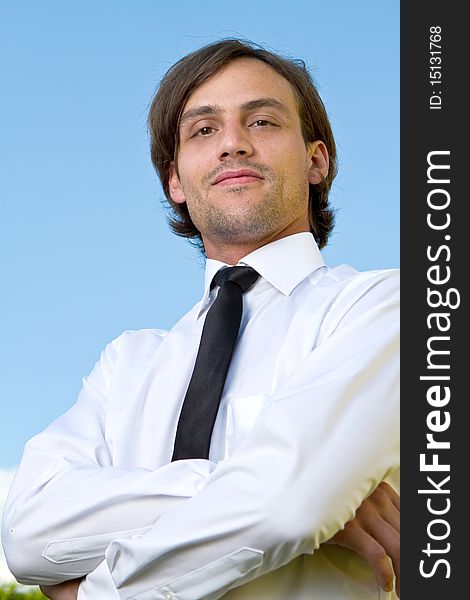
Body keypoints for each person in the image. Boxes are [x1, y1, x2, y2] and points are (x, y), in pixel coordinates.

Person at [2, 39, 400, 599]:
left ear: (317, 160)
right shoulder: (126, 363)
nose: (233, 143)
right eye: (204, 130)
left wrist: (93, 592)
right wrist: (269, 487)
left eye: (262, 121)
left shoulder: (385, 309)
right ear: (176, 181)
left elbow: (285, 509)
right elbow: (26, 534)